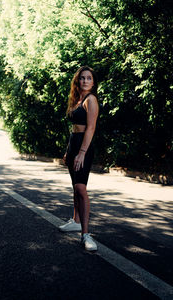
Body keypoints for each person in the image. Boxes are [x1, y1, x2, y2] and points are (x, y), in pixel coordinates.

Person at [59, 66, 99, 251]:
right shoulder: (77, 99)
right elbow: (74, 128)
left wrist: (82, 152)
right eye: (82, 78)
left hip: (84, 146)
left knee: (81, 188)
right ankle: (75, 221)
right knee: (75, 186)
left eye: (88, 78)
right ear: (78, 80)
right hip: (74, 144)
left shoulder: (91, 100)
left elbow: (90, 128)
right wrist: (69, 151)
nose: (84, 81)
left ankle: (86, 235)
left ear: (93, 81)